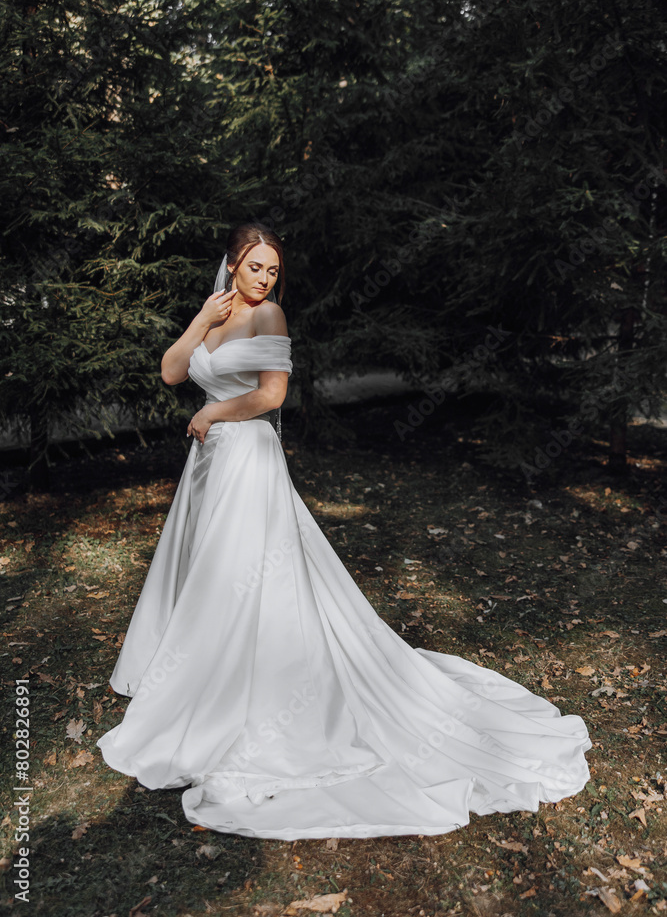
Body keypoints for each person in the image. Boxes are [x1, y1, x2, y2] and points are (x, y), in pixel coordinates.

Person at [97, 222, 593, 840]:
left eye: (273, 270)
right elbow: (173, 371)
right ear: (231, 265)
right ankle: (198, 677)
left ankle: (240, 691)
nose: (265, 279)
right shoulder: (217, 311)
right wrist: (201, 317)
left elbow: (272, 396)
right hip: (207, 464)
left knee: (244, 574)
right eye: (255, 267)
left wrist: (213, 410)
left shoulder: (270, 316)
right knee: (212, 571)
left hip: (247, 457)